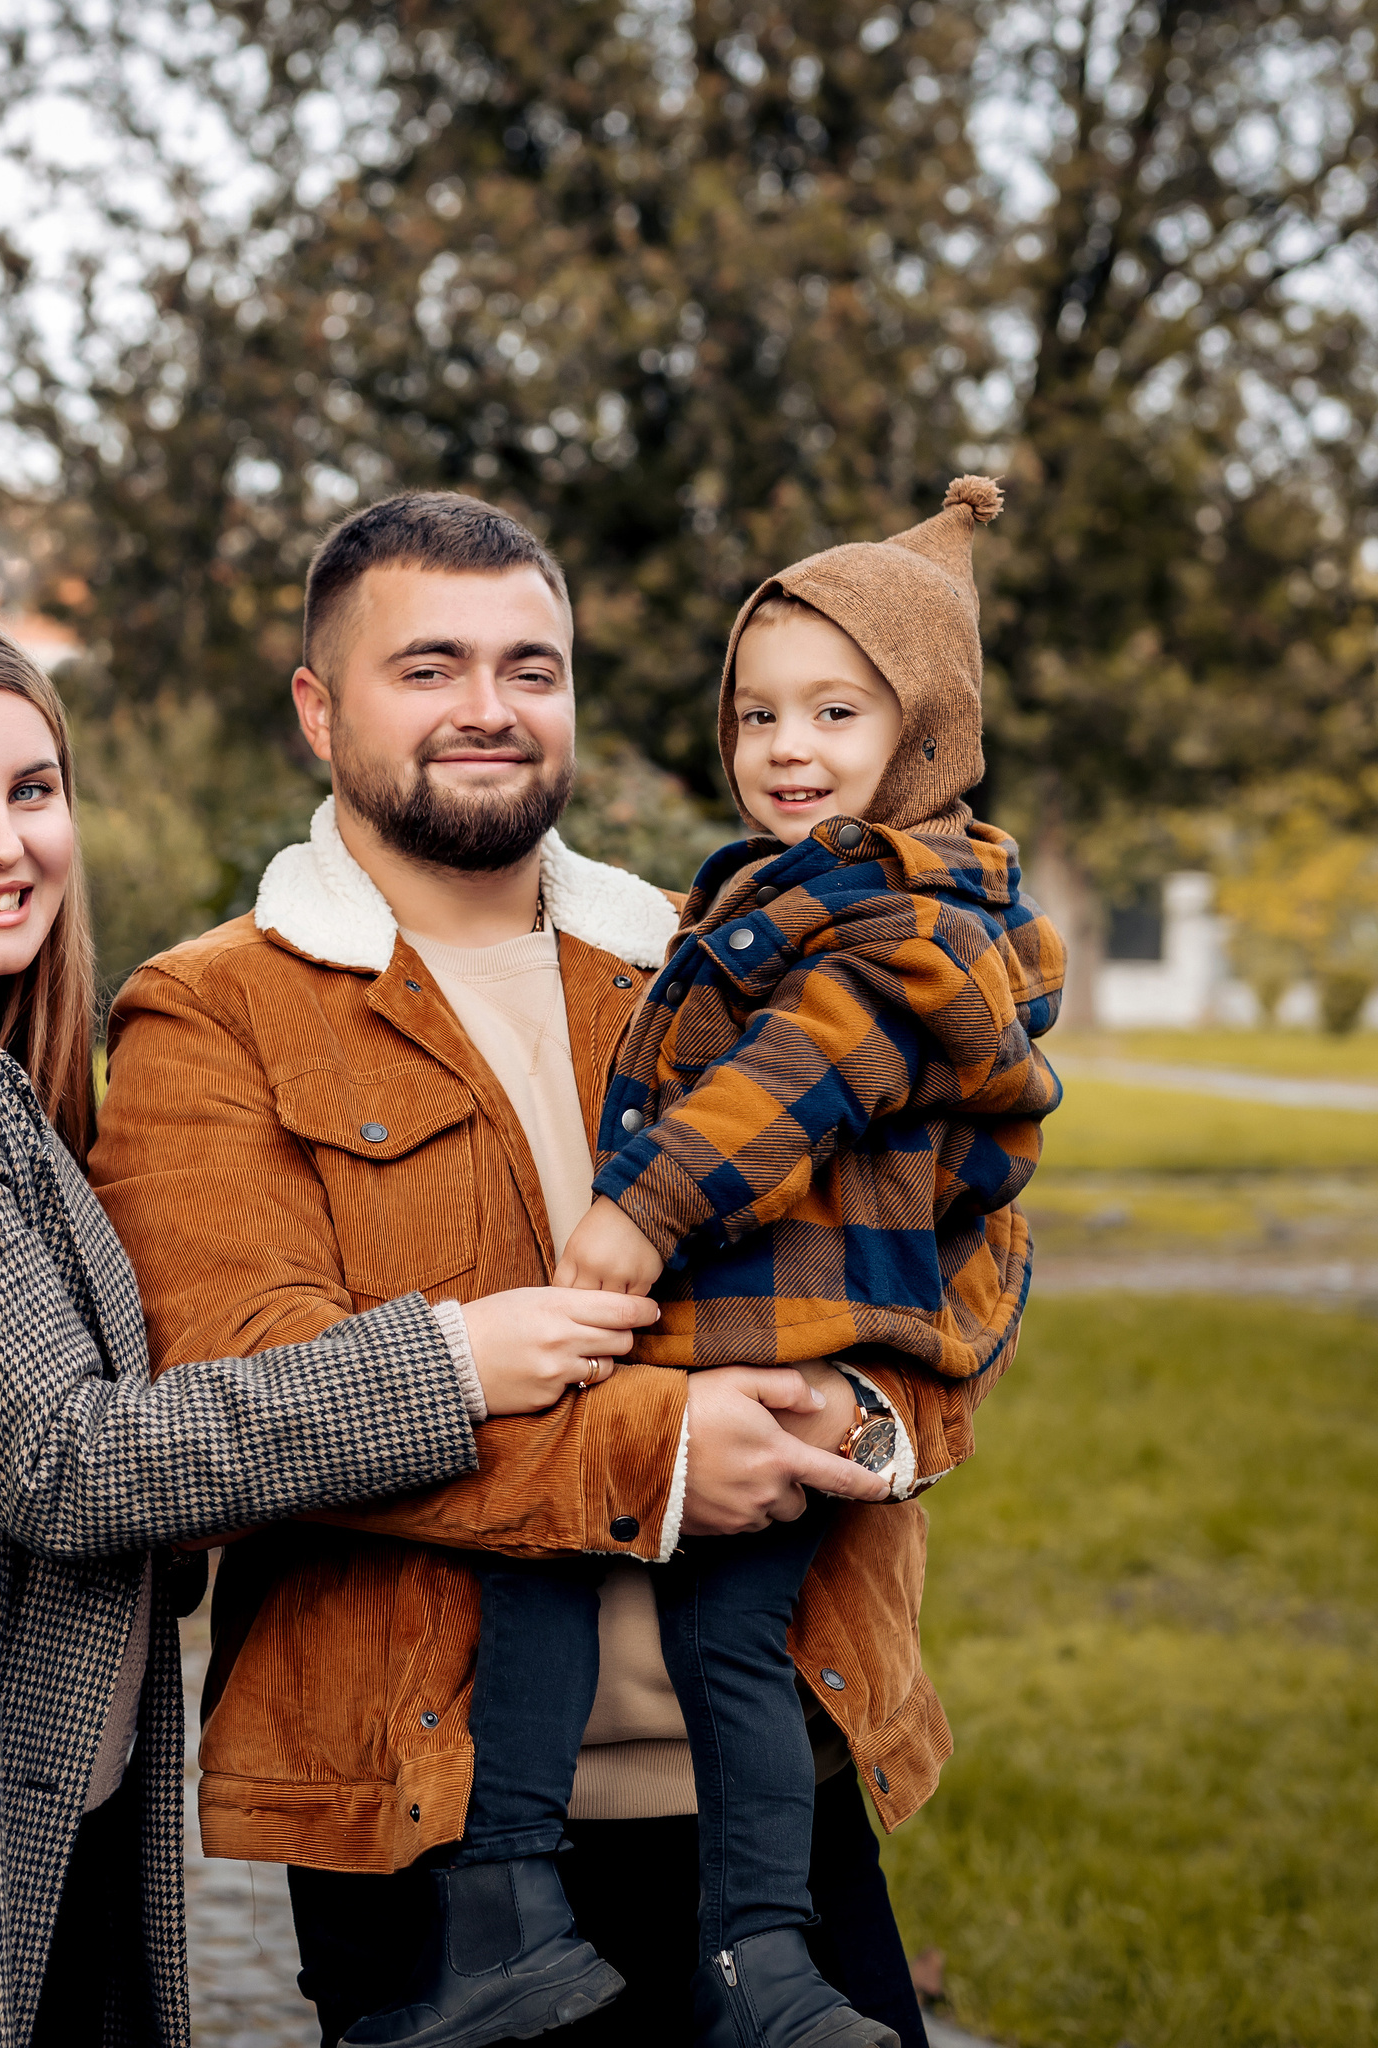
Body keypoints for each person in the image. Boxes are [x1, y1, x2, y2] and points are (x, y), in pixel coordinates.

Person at [0, 600, 666, 2048]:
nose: (5, 842)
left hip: (17, 1783)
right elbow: (69, 1461)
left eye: (32, 791)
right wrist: (446, 1360)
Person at [88, 493, 1011, 2046]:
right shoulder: (215, 1012)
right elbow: (242, 1395)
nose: (489, 711)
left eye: (532, 667)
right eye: (429, 666)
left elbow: (961, 1244)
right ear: (320, 709)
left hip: (778, 1768)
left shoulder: (715, 954)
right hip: (434, 1823)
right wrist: (659, 1458)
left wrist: (868, 1426)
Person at [339, 479, 1065, 2048]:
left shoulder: (885, 923)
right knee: (541, 1556)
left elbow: (805, 1097)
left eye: (834, 715)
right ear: (319, 706)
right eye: (757, 715)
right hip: (677, 1386)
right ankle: (522, 1906)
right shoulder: (753, 907)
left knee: (713, 1629)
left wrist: (671, 1237)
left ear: (922, 741)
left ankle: (747, 1955)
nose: (787, 749)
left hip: (762, 1339)